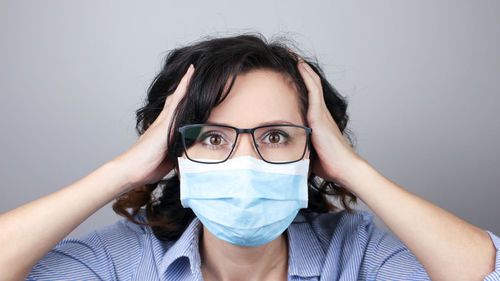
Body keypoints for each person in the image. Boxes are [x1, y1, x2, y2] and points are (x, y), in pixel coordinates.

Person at [1, 33, 499, 281]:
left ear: (315, 150)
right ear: (177, 150)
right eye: (214, 137)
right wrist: (123, 171)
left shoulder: (356, 255)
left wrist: (353, 169)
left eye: (276, 136)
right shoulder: (121, 261)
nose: (246, 161)